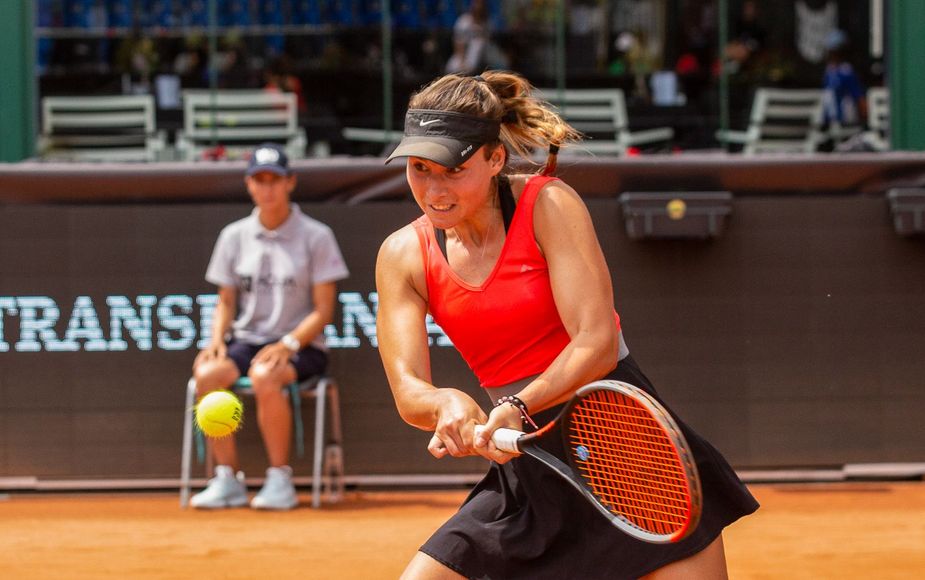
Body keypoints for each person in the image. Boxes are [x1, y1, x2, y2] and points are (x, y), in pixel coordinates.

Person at [375, 71, 759, 578]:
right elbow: (408, 389)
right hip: (529, 469)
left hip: (632, 451)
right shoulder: (403, 254)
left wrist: (518, 405)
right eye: (419, 169)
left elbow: (596, 342)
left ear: (495, 159)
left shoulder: (548, 205)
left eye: (453, 169)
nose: (433, 189)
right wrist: (445, 402)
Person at [190, 143, 350, 510]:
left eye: (274, 180)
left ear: (290, 182)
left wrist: (288, 344)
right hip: (247, 341)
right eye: (259, 180)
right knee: (207, 375)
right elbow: (225, 301)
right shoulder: (233, 236)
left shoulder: (317, 236)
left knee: (264, 375)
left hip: (302, 346)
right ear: (249, 185)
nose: (267, 188)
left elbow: (324, 310)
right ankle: (227, 479)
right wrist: (216, 340)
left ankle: (280, 479)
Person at [444, 0, 508, 75]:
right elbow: (458, 42)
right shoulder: (464, 21)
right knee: (452, 67)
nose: (478, 8)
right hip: (463, 53)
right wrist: (462, 60)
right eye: (476, 5)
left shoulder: (488, 23)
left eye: (481, 6)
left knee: (479, 43)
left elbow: (489, 42)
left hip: (484, 53)